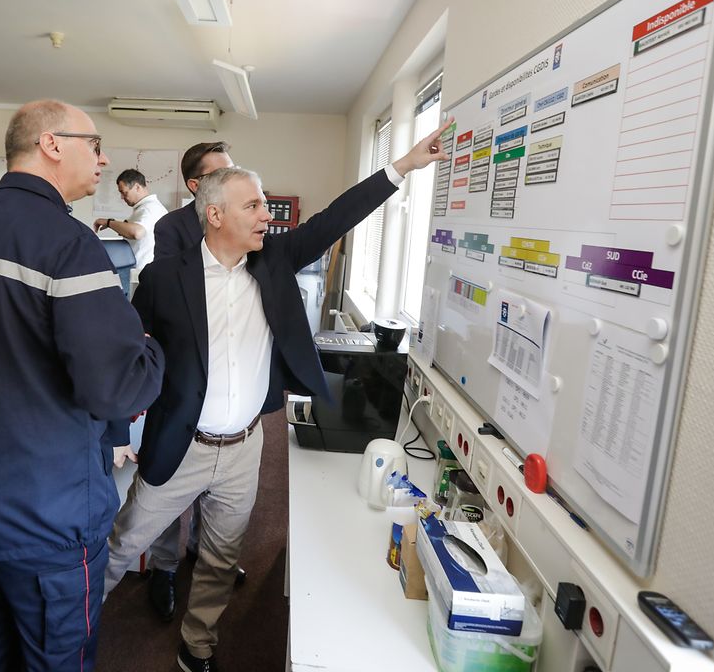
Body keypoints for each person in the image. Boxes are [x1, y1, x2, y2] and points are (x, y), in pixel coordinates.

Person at [103, 119, 453, 671]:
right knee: (122, 546)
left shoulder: (273, 262)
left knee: (221, 557)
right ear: (214, 215)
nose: (268, 215)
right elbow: (126, 355)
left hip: (245, 448)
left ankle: (197, 647)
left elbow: (334, 219)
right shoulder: (165, 279)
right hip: (182, 443)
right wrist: (119, 428)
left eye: (266, 205)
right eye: (255, 207)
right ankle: (68, 633)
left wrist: (403, 166)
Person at [0, 99, 165, 671]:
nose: (104, 159)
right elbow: (117, 390)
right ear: (51, 144)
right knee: (56, 656)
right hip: (49, 513)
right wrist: (151, 346)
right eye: (94, 145)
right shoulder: (70, 245)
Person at [142, 141, 240, 621]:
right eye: (223, 172)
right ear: (196, 185)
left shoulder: (242, 222)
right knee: (169, 483)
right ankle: (162, 567)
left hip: (228, 378)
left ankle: (202, 550)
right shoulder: (172, 228)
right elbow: (175, 296)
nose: (233, 176)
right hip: (183, 378)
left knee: (217, 487)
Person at [152, 141, 234, 260]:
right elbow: (167, 276)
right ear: (195, 185)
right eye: (222, 174)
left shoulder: (249, 216)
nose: (233, 180)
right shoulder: (170, 226)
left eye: (234, 172)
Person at [93, 168, 168, 273]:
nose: (122, 197)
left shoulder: (150, 208)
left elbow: (136, 232)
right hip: (141, 271)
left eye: (124, 193)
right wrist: (114, 224)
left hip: (143, 272)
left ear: (137, 187)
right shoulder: (145, 208)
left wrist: (109, 222)